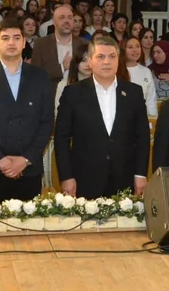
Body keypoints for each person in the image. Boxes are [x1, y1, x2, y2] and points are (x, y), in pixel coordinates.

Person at [0, 19, 55, 204]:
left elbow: (46, 122)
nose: (11, 43)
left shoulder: (40, 76)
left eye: (16, 38)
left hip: (28, 170)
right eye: (5, 38)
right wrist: (1, 160)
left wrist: (26, 159)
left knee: (27, 228)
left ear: (24, 42)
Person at [54, 35, 150, 198]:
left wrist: (140, 174)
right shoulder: (73, 93)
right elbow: (61, 138)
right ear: (90, 61)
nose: (107, 62)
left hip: (124, 178)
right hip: (84, 179)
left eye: (112, 56)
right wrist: (66, 176)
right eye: (101, 57)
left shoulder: (134, 92)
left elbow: (142, 137)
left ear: (119, 60)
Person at [30, 4, 84, 92]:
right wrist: (62, 67)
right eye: (62, 17)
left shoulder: (83, 44)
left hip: (77, 96)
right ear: (54, 22)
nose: (66, 21)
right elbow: (36, 75)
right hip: (50, 97)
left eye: (70, 17)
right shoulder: (41, 44)